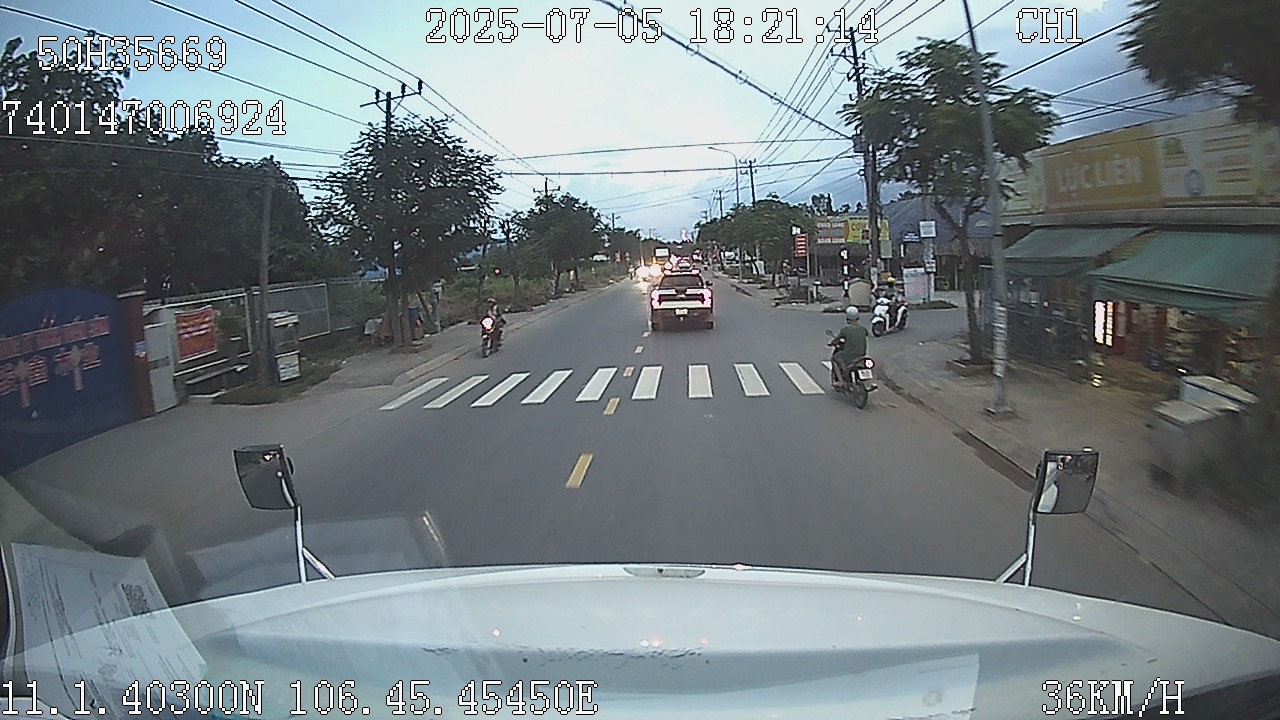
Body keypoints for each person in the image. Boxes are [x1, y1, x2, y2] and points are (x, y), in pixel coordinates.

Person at [830, 306, 869, 388]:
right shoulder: (863, 329)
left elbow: (837, 339)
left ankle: (841, 381)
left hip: (848, 355)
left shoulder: (845, 330)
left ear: (847, 318)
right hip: (862, 355)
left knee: (834, 359)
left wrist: (832, 343)